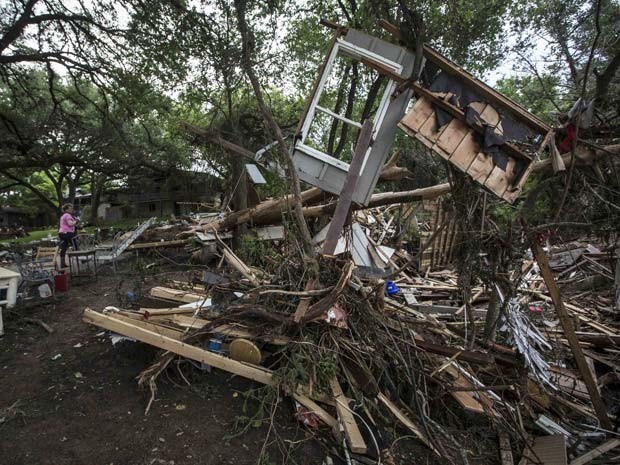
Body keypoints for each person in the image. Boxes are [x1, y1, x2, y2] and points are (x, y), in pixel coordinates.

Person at [58, 203, 78, 268]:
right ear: (67, 209)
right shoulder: (68, 215)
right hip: (67, 233)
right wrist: (76, 221)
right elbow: (70, 224)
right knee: (75, 245)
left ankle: (62, 263)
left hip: (61, 233)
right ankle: (82, 259)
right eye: (70, 208)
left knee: (64, 247)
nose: (72, 209)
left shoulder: (62, 216)